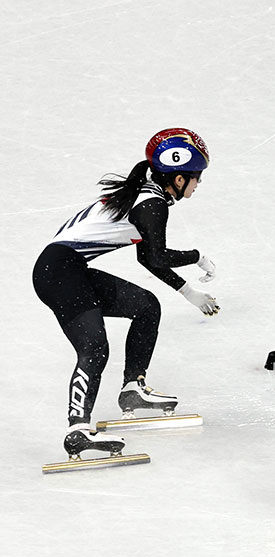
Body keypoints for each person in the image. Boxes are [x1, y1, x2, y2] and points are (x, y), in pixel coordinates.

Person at [33, 128, 220, 459]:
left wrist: (188, 292)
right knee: (94, 347)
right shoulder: (152, 204)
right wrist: (197, 256)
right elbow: (158, 255)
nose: (198, 184)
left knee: (147, 306)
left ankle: (133, 388)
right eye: (196, 177)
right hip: (60, 271)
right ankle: (77, 430)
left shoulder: (147, 194)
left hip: (65, 268)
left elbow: (147, 257)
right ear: (177, 178)